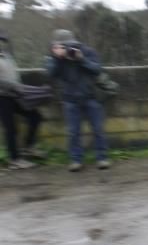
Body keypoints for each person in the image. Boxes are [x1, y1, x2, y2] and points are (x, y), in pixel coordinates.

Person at [45, 29, 109, 171]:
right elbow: (50, 74)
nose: (66, 48)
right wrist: (57, 58)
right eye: (61, 45)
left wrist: (81, 59)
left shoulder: (87, 51)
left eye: (67, 44)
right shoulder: (53, 57)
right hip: (70, 99)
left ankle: (102, 158)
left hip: (91, 96)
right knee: (73, 132)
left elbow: (97, 69)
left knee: (98, 129)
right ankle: (76, 160)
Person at [0, 31, 44, 170]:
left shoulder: (6, 56)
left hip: (15, 96)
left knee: (35, 116)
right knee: (11, 129)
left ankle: (29, 147)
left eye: (2, 40)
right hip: (2, 98)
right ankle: (15, 160)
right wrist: (14, 86)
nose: (2, 43)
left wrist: (19, 87)